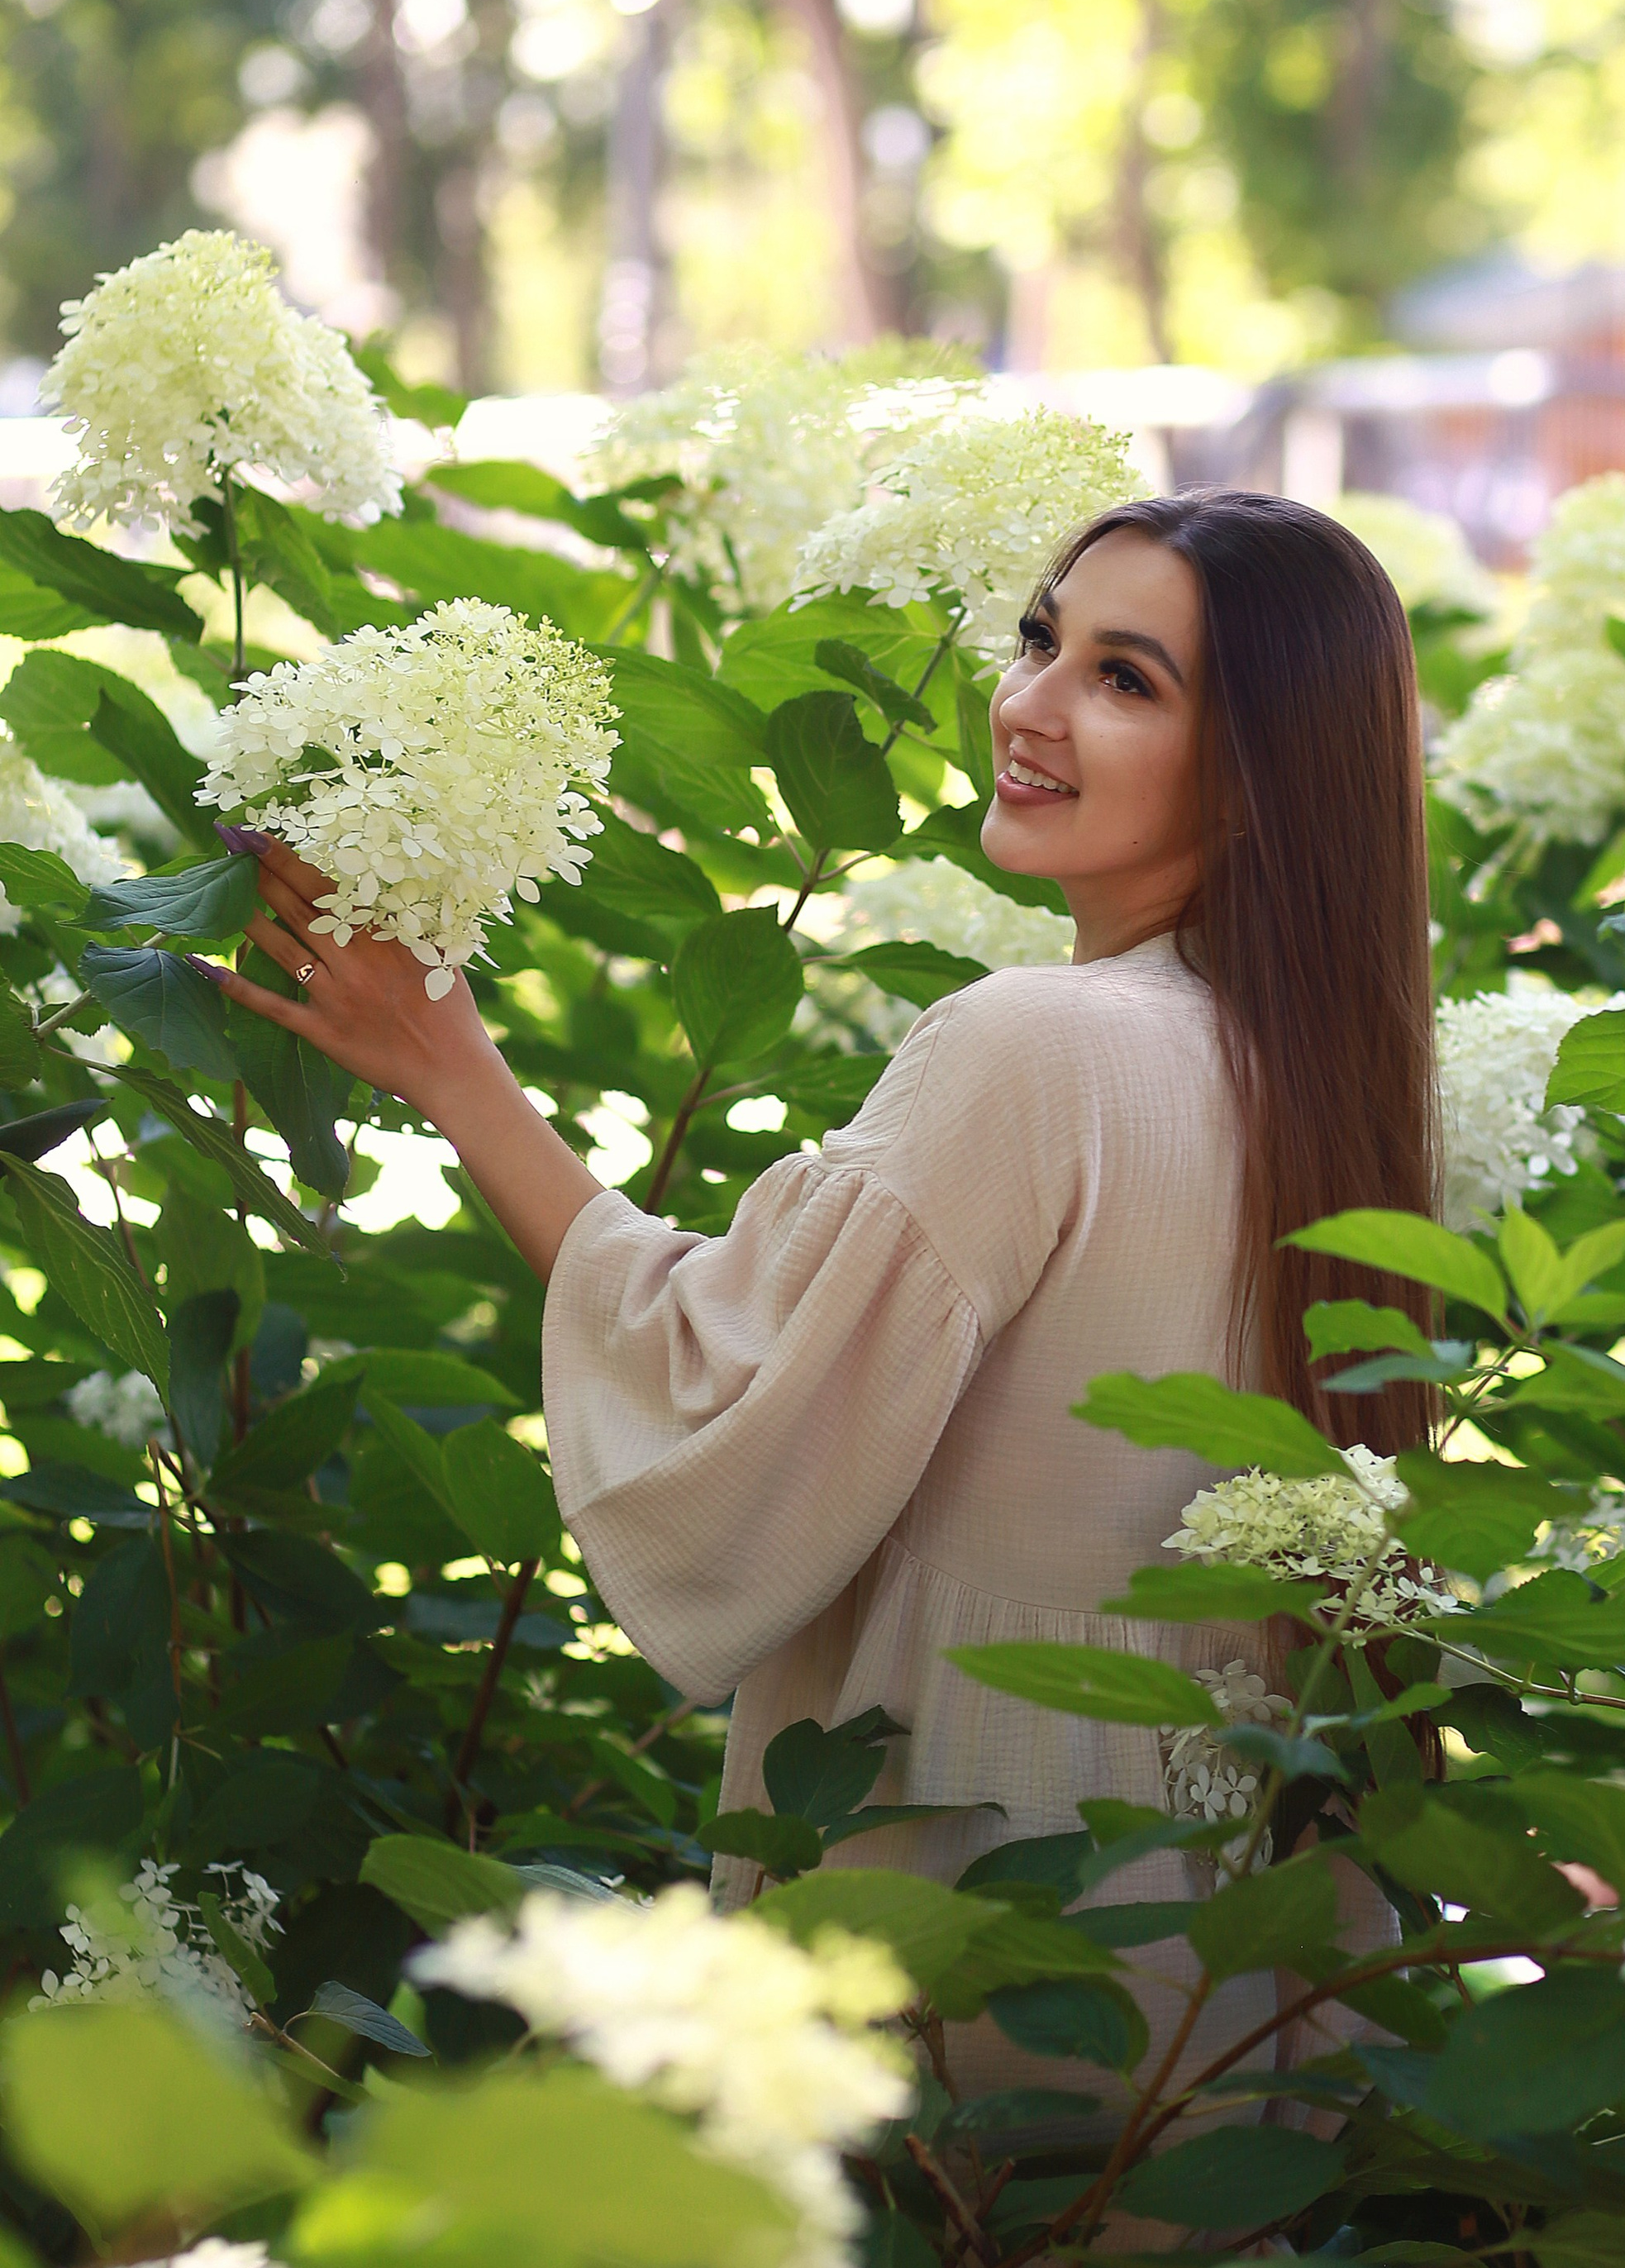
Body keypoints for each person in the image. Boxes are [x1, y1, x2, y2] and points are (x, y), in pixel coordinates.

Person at [214, 488, 1441, 2094]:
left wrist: (450, 1069)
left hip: (964, 1926)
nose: (1027, 705)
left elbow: (726, 1392)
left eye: (1123, 679)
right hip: (1226, 1962)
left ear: (1262, 765)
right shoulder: (1348, 1088)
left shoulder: (1031, 1049)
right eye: (1037, 638)